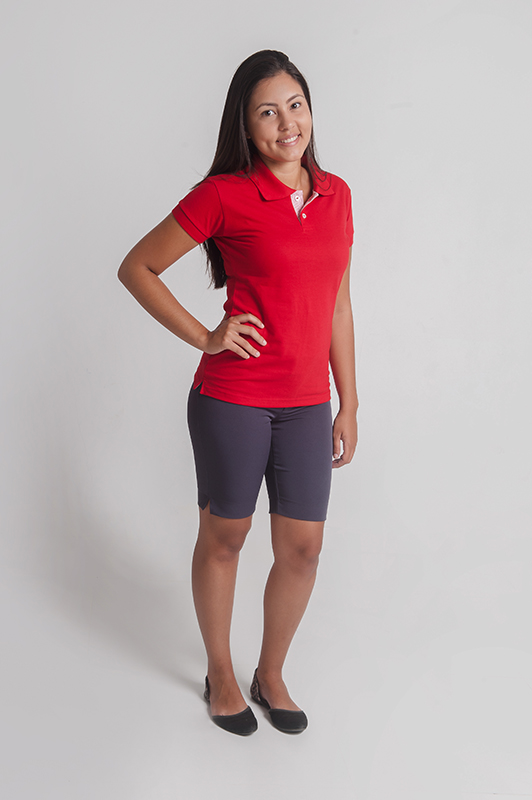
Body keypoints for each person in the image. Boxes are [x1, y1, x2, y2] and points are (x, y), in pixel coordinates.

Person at [118, 50, 358, 736]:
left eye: (295, 105)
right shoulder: (224, 195)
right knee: (226, 537)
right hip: (234, 397)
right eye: (267, 112)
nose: (287, 123)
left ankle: (269, 673)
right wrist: (206, 335)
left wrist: (349, 400)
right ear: (246, 128)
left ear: (310, 109)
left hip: (307, 403)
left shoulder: (337, 194)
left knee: (303, 549)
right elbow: (138, 267)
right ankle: (221, 673)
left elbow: (339, 304)